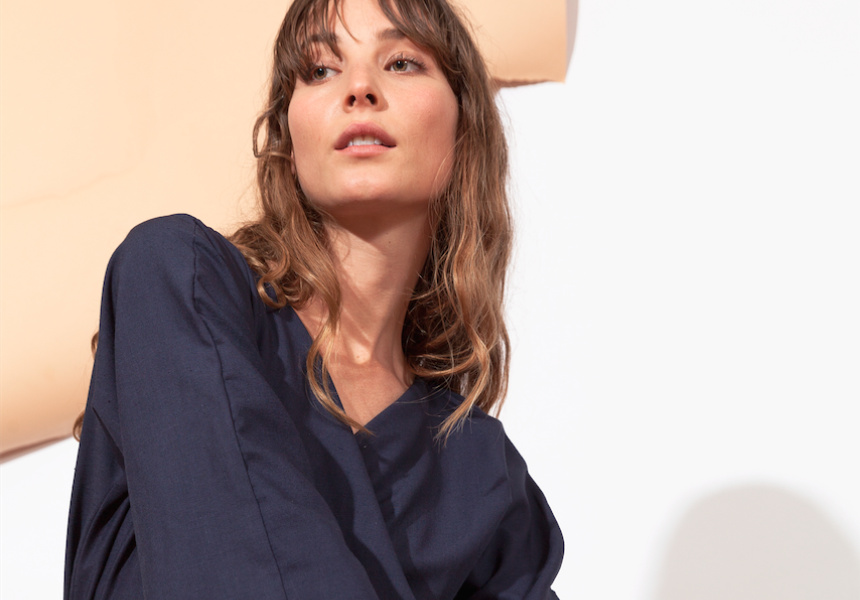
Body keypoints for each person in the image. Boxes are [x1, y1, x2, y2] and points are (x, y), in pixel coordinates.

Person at [64, 0, 564, 597]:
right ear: (289, 138)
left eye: (401, 62)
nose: (359, 88)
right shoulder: (179, 278)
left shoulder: (484, 478)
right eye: (321, 70)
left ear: (464, 128)